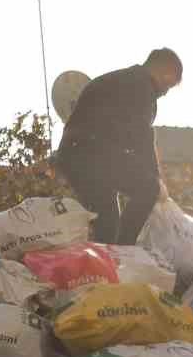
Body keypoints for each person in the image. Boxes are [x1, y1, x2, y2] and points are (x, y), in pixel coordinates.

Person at [52, 48, 183, 245]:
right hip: (88, 154)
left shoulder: (124, 81)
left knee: (107, 217)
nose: (165, 92)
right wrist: (155, 179)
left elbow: (131, 135)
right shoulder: (139, 85)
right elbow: (142, 135)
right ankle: (123, 251)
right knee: (146, 189)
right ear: (163, 71)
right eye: (168, 84)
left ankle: (113, 255)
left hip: (81, 154)